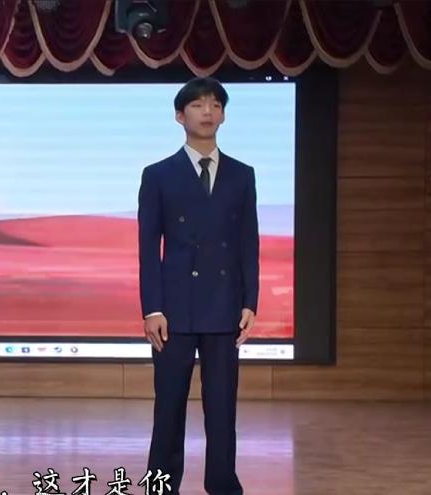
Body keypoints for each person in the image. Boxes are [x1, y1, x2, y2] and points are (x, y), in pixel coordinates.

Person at [137, 77, 258, 495]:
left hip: (224, 306)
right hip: (173, 310)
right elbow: (148, 247)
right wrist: (152, 308)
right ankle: (161, 486)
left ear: (223, 115)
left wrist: (250, 301)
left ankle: (223, 484)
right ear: (179, 116)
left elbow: (248, 242)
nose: (208, 112)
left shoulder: (242, 175)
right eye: (198, 104)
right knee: (169, 405)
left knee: (222, 407)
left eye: (215, 105)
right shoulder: (158, 175)